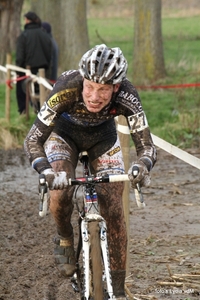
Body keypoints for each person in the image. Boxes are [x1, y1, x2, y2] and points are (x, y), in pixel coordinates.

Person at [24, 44, 157, 299]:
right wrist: (47, 172)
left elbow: (146, 145)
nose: (95, 96)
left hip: (103, 139)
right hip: (64, 136)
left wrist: (142, 166)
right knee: (60, 192)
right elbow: (32, 140)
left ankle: (117, 291)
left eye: (104, 89)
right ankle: (64, 236)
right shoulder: (66, 87)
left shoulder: (128, 94)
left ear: (116, 87)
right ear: (82, 81)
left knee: (115, 209)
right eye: (90, 87)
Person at [16, 11, 52, 114]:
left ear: (27, 20)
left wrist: (18, 69)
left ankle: (23, 112)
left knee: (23, 92)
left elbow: (20, 56)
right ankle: (41, 113)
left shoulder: (24, 35)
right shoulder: (45, 35)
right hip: (42, 70)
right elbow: (49, 55)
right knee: (41, 92)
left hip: (27, 70)